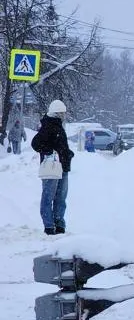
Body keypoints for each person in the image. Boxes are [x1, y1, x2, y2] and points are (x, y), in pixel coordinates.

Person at [31, 100, 73, 235]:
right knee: (50, 197)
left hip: (62, 167)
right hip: (52, 167)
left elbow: (60, 146)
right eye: (62, 113)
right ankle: (50, 226)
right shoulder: (48, 125)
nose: (64, 115)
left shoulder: (58, 126)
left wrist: (67, 154)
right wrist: (49, 152)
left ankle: (59, 225)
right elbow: (36, 144)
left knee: (60, 198)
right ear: (56, 113)